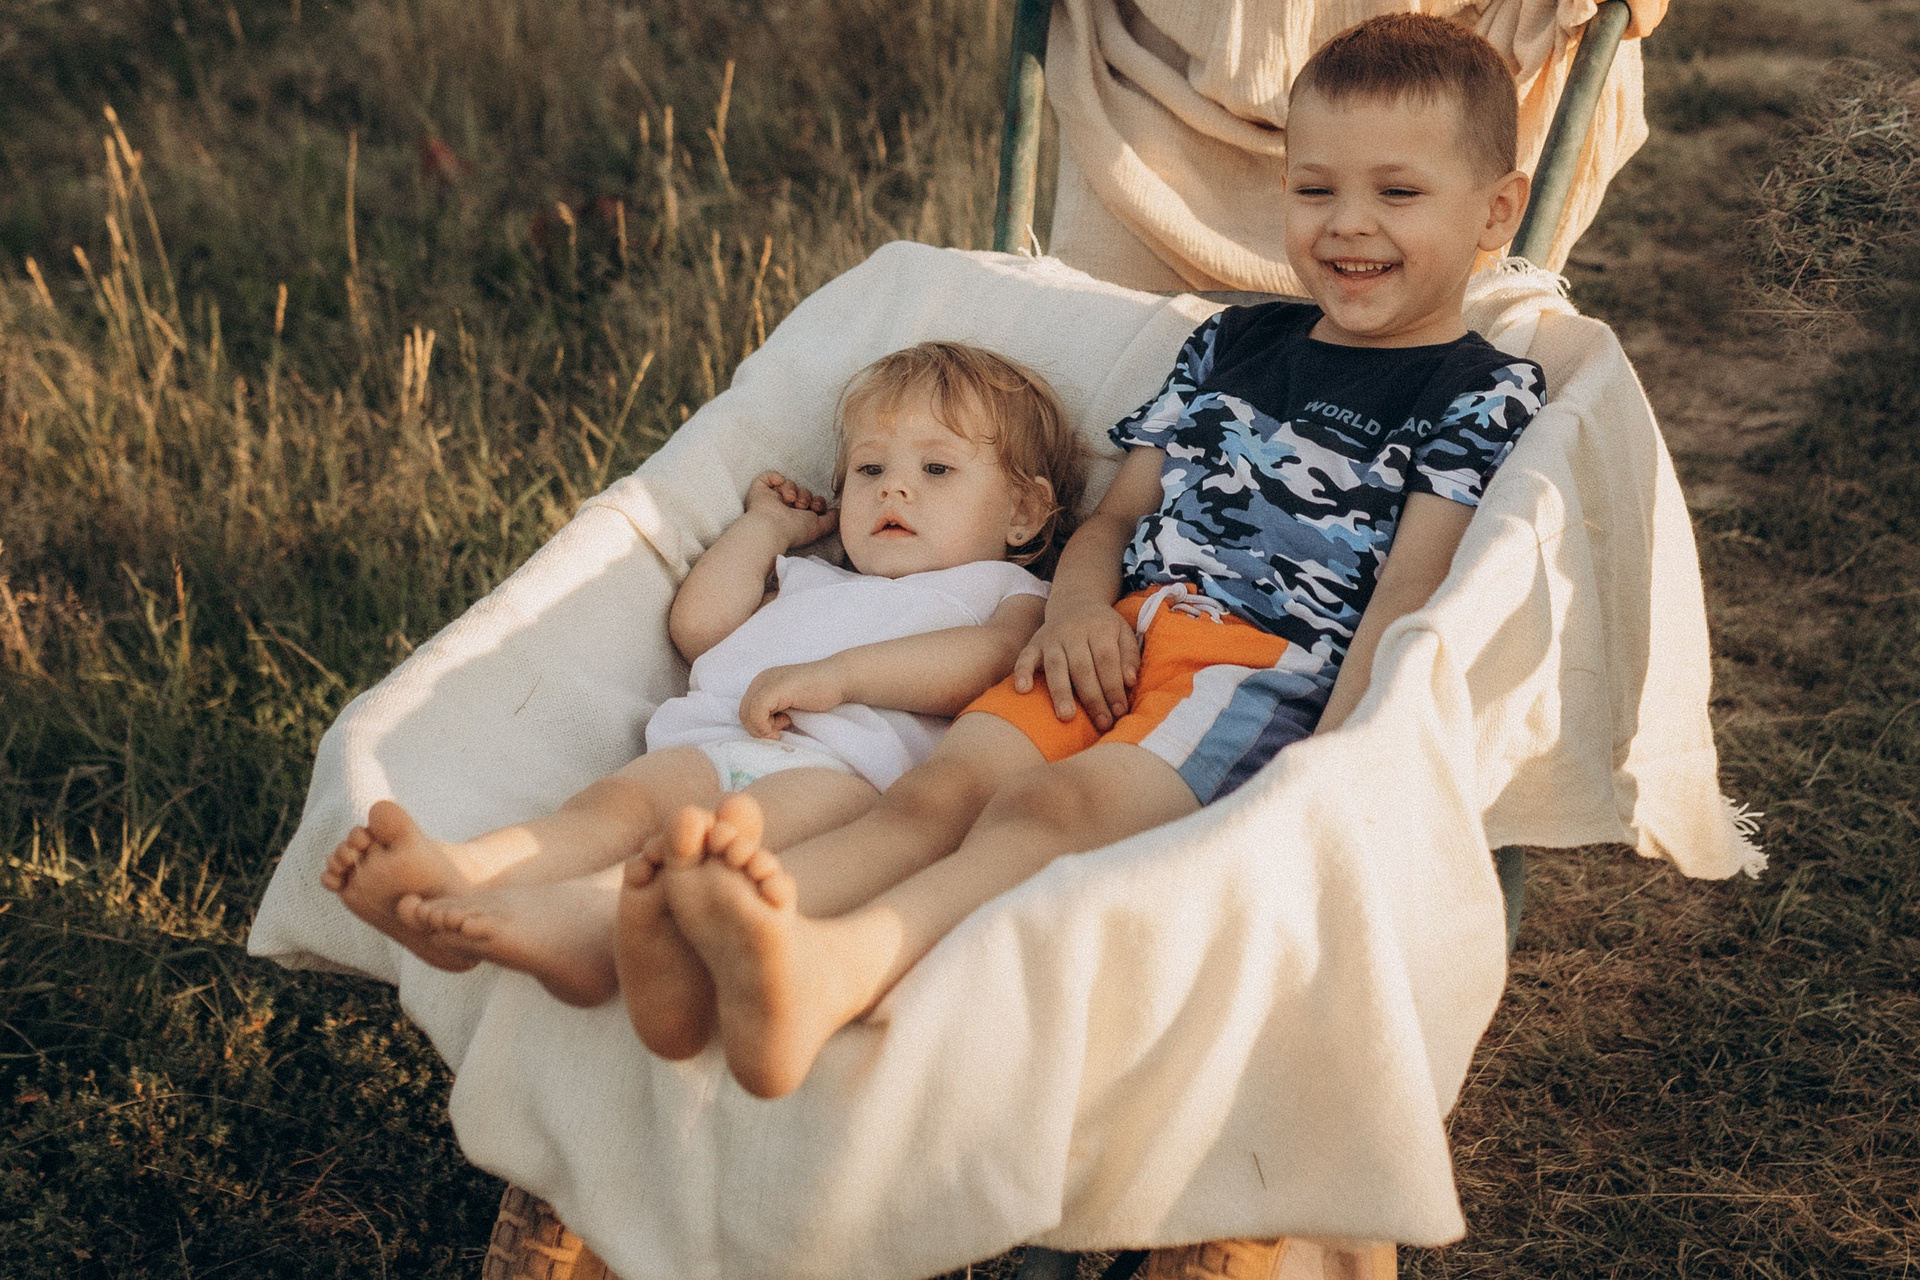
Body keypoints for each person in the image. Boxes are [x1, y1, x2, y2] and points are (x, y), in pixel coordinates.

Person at [646, 12, 1550, 1099]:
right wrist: (1074, 608)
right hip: (1107, 632)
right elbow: (1114, 521)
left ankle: (840, 966)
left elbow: (1409, 589)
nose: (1349, 224)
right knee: (938, 791)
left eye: (1397, 192)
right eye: (1315, 189)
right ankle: (721, 939)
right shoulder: (1232, 342)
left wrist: (1338, 763)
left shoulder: (1477, 390)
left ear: (1496, 209)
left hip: (1250, 667)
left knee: (1045, 812)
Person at [320, 342, 1084, 1060]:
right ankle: (470, 870)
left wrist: (841, 677)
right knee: (612, 807)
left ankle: (588, 925)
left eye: (938, 469)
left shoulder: (1005, 592)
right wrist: (765, 529)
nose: (894, 487)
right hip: (711, 741)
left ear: (1023, 512)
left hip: (846, 775)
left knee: (716, 842)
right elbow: (701, 627)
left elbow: (985, 663)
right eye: (869, 467)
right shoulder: (814, 577)